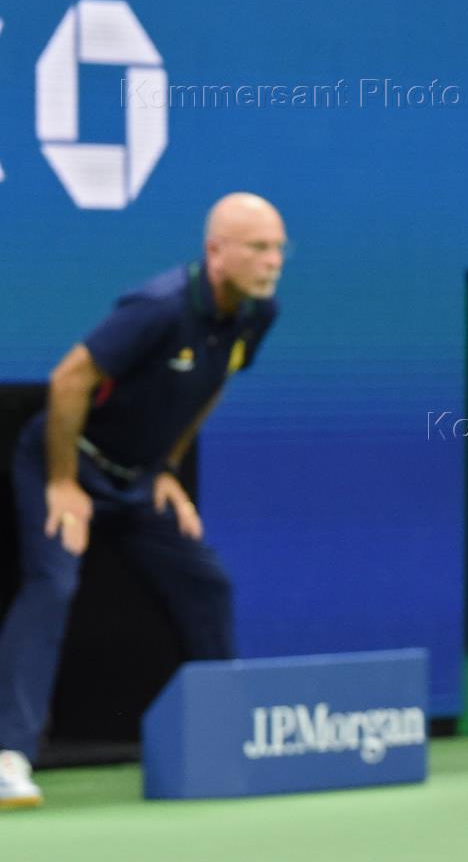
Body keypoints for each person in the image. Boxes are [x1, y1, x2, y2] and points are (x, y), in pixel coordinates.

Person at [0, 193, 284, 809]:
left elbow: (214, 382)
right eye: (259, 248)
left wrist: (166, 468)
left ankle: (226, 742)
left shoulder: (257, 313)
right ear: (216, 252)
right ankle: (9, 757)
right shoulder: (159, 307)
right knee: (53, 585)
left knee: (207, 585)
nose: (273, 262)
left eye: (279, 249)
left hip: (137, 483)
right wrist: (63, 482)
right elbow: (69, 379)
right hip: (69, 464)